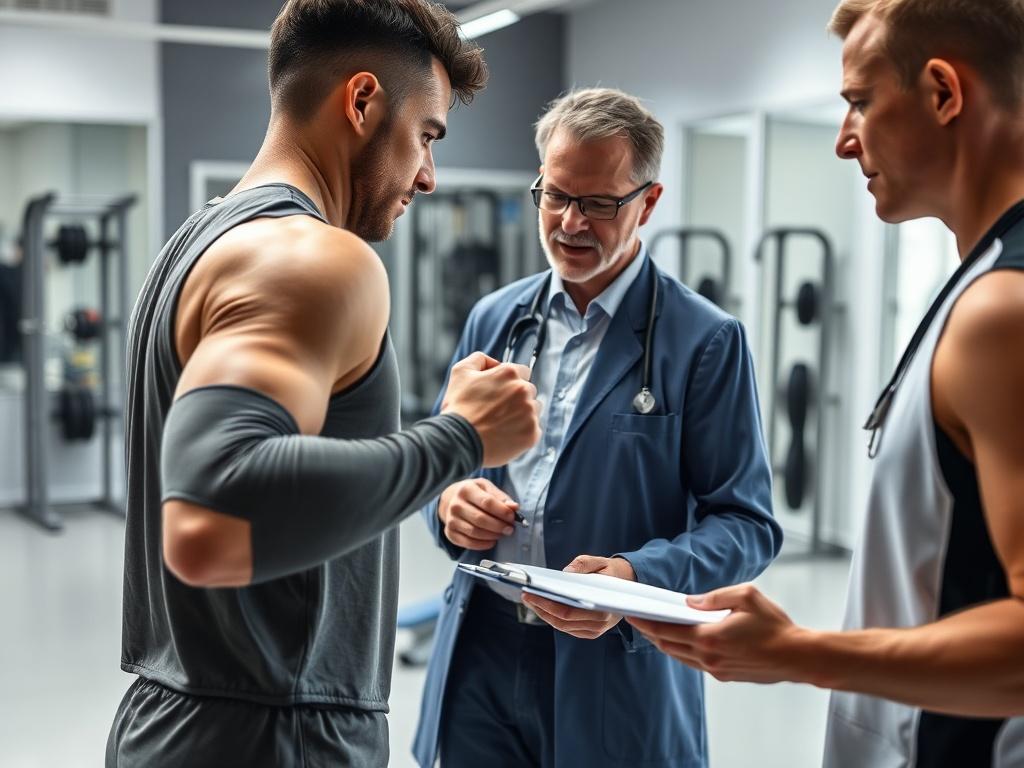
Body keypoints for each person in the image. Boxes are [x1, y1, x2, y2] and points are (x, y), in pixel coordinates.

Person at [105, 2, 542, 766]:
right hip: (276, 735)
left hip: (175, 719)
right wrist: (461, 438)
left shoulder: (196, 243)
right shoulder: (315, 260)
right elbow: (207, 521)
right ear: (363, 100)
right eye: (427, 137)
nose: (429, 177)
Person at [628, 1, 1024, 766]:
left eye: (859, 102)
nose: (845, 141)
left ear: (944, 93)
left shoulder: (1002, 311)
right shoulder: (976, 284)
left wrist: (801, 651)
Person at [412, 87, 783, 768]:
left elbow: (746, 524)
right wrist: (448, 505)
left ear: (649, 201)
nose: (570, 223)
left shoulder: (703, 342)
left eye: (600, 203)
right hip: (481, 655)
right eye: (554, 196)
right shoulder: (494, 319)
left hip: (612, 666)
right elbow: (446, 471)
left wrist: (632, 578)